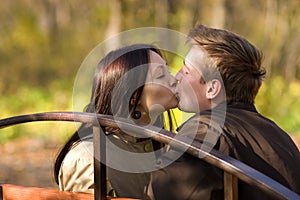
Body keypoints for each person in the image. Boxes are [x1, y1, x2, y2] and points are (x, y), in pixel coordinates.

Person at [146, 25, 300, 199]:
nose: (177, 76)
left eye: (186, 70)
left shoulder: (204, 130)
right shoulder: (278, 135)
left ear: (212, 88)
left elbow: (167, 192)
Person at [53, 44, 178, 199]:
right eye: (161, 76)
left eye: (169, 72)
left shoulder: (162, 144)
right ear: (132, 96)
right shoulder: (89, 158)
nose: (175, 80)